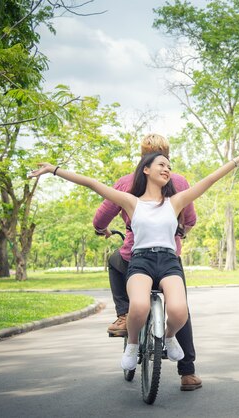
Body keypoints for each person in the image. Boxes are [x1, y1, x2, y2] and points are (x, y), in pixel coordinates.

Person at [28, 151, 239, 375]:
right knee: (139, 307)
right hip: (141, 260)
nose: (167, 169)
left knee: (178, 310)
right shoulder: (132, 202)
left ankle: (169, 337)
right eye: (161, 165)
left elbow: (211, 179)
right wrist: (53, 170)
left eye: (169, 167)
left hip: (168, 261)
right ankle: (132, 346)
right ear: (146, 170)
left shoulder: (176, 202)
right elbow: (91, 183)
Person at [92, 134, 201, 391]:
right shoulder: (179, 180)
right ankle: (187, 373)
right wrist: (180, 229)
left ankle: (123, 313)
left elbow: (100, 219)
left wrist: (102, 230)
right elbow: (191, 219)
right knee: (180, 307)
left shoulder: (125, 182)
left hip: (134, 254)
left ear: (142, 155)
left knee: (114, 260)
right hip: (169, 254)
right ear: (163, 155)